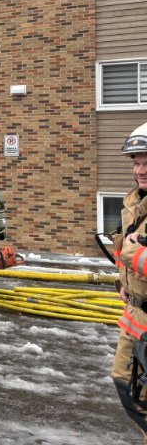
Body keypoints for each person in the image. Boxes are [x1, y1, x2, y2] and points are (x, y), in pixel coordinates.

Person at [111, 121, 147, 439]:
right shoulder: (135, 204)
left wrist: (133, 255)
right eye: (136, 162)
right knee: (126, 384)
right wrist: (125, 283)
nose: (140, 170)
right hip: (136, 315)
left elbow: (135, 253)